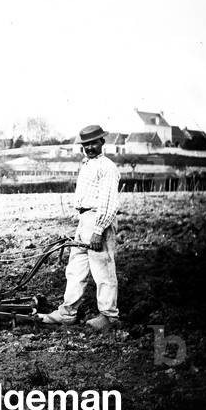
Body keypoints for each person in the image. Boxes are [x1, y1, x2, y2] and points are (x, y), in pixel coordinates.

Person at [40, 124, 120, 331]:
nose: (90, 147)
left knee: (103, 270)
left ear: (102, 142)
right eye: (86, 144)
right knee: (76, 269)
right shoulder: (86, 164)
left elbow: (109, 202)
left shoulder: (107, 167)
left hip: (98, 220)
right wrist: (83, 225)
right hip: (85, 220)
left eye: (94, 142)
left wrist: (98, 230)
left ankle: (109, 316)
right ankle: (68, 312)